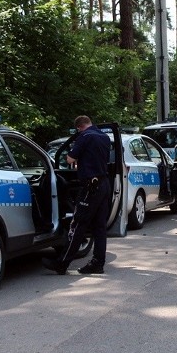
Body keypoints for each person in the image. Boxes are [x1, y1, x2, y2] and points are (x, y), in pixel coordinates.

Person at [42, 115, 111, 275]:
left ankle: (62, 263)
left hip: (90, 186)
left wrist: (74, 153)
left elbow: (70, 158)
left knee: (78, 224)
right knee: (99, 227)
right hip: (104, 184)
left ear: (79, 127)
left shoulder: (84, 136)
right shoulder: (105, 137)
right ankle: (98, 263)